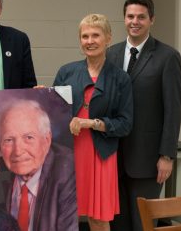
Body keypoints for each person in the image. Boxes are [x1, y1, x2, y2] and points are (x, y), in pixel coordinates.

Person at [107, 0, 181, 231]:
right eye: (130, 16)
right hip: (113, 157)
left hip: (149, 160)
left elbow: (173, 109)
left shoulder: (167, 56)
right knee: (118, 224)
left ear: (152, 20)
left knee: (142, 224)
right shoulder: (111, 54)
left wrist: (167, 155)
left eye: (141, 17)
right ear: (124, 19)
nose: (135, 21)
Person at [54, 14, 133, 231]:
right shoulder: (66, 72)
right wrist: (42, 97)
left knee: (98, 218)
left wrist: (93, 123)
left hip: (101, 154)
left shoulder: (120, 79)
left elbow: (125, 124)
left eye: (96, 35)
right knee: (64, 215)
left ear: (108, 38)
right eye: (85, 36)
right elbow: (54, 115)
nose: (90, 41)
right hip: (69, 153)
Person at [0, 99, 78, 231]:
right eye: (8, 140)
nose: (18, 151)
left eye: (28, 137)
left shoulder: (66, 170)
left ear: (46, 140)